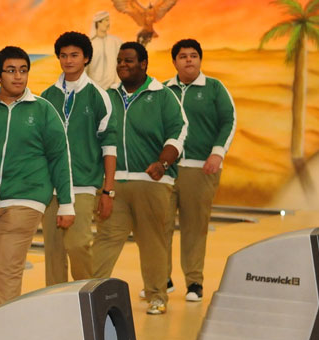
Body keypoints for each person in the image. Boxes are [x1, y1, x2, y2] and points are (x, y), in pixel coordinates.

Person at [90, 41, 187, 315]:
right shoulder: (108, 96)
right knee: (106, 240)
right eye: (119, 61)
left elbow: (178, 132)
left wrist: (163, 163)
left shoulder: (162, 95)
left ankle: (157, 296)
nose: (122, 65)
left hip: (152, 182)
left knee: (153, 241)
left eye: (128, 61)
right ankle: (89, 293)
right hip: (114, 182)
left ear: (143, 64)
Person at [0, 46, 74, 309]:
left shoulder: (42, 109)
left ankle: (1, 329)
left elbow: (59, 156)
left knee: (7, 270)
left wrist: (66, 203)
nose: (18, 76)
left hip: (26, 199)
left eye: (23, 70)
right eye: (11, 71)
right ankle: (0, 316)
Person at [41, 32, 116, 286]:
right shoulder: (47, 96)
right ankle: (54, 301)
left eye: (74, 55)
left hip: (83, 184)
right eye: (63, 55)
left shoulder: (99, 96)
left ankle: (86, 294)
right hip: (51, 186)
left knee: (78, 244)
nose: (68, 60)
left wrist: (108, 191)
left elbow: (109, 147)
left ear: (86, 58)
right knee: (53, 252)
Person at [163, 39, 235, 302]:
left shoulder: (215, 88)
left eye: (193, 55)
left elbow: (228, 120)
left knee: (194, 228)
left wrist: (218, 152)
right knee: (159, 226)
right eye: (183, 56)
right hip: (166, 171)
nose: (189, 60)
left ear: (200, 60)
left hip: (200, 168)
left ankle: (194, 283)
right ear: (175, 62)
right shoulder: (163, 90)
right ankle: (161, 280)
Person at [86, 10, 121, 90]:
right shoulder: (89, 44)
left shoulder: (116, 42)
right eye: (106, 20)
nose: (108, 23)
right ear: (98, 23)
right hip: (94, 89)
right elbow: (84, 68)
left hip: (113, 88)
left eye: (109, 20)